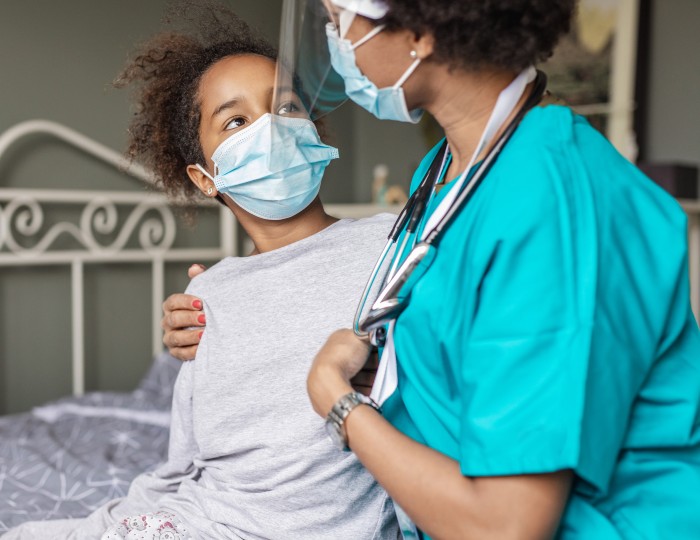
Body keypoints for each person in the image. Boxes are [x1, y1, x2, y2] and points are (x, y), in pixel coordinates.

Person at [164, 0, 700, 538]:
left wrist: (340, 401)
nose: (332, 43)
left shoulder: (549, 199)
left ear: (418, 29)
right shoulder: (444, 171)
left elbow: (506, 526)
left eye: (339, 21)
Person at [1, 2, 399, 539]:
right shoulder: (210, 292)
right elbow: (186, 456)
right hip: (207, 515)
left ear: (313, 129)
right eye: (236, 121)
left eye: (285, 107)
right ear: (206, 178)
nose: (270, 129)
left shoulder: (389, 243)